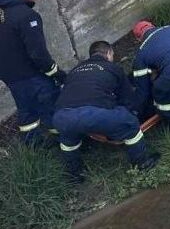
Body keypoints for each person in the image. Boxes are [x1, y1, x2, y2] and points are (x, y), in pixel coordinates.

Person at [53, 40, 159, 183]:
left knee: (68, 140)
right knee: (129, 122)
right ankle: (141, 162)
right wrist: (135, 113)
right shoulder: (112, 68)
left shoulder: (74, 71)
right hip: (92, 114)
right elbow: (127, 99)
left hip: (61, 116)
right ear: (108, 53)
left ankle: (74, 175)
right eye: (112, 55)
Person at [0, 0, 67, 146]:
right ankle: (66, 140)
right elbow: (38, 53)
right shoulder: (27, 16)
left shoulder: (3, 12)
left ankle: (33, 145)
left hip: (9, 74)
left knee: (26, 109)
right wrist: (56, 72)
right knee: (51, 102)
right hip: (30, 74)